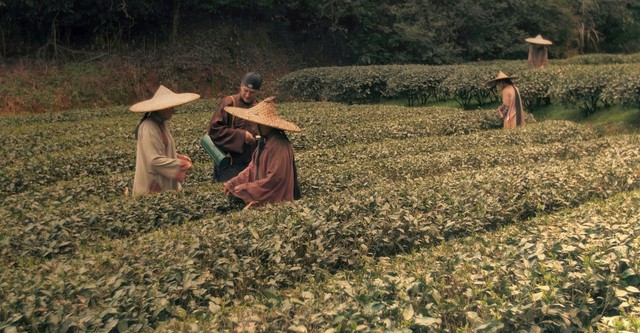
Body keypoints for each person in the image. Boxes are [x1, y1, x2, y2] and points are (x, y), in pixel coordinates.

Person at [222, 96, 302, 209]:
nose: (253, 128)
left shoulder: (279, 145)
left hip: (277, 202)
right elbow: (252, 168)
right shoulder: (264, 141)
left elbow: (275, 179)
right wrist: (233, 183)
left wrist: (247, 188)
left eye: (255, 124)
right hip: (264, 198)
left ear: (264, 125)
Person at [130, 85, 199, 196]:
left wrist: (177, 157)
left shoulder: (161, 124)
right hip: (153, 183)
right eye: (171, 107)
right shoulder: (149, 127)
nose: (173, 109)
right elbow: (153, 159)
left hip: (163, 181)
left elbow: (161, 149)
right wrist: (181, 165)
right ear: (163, 108)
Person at [208, 72, 263, 182]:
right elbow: (214, 130)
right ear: (241, 86)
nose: (247, 95)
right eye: (245, 90)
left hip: (251, 163)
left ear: (258, 91)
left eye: (252, 92)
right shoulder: (229, 103)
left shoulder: (259, 107)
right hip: (230, 164)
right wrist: (242, 136)